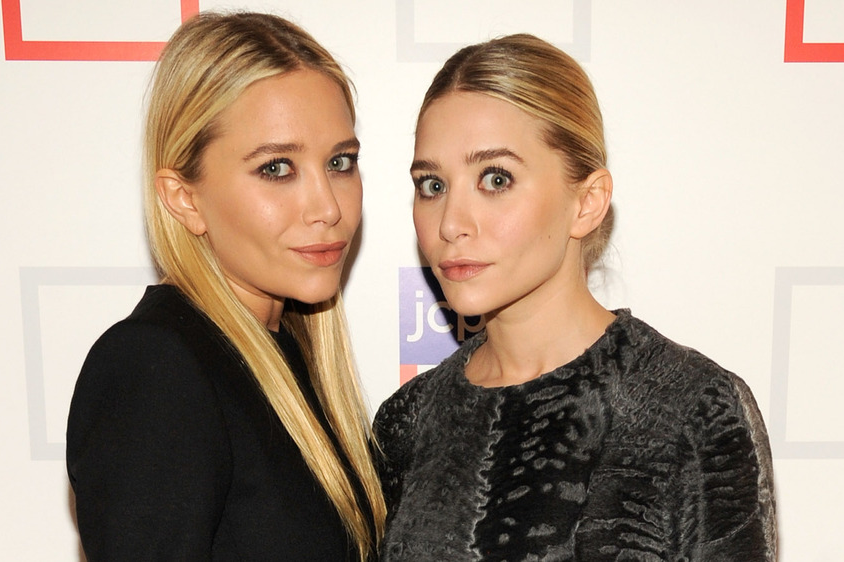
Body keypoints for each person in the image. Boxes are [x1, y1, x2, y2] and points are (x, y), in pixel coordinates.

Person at [374, 34, 776, 561]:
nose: (451, 223)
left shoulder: (691, 410)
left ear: (587, 203)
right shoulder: (408, 420)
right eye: (432, 185)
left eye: (495, 178)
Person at [66, 12, 385, 561]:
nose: (328, 207)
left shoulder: (292, 355)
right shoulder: (155, 367)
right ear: (184, 197)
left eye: (340, 162)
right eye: (276, 168)